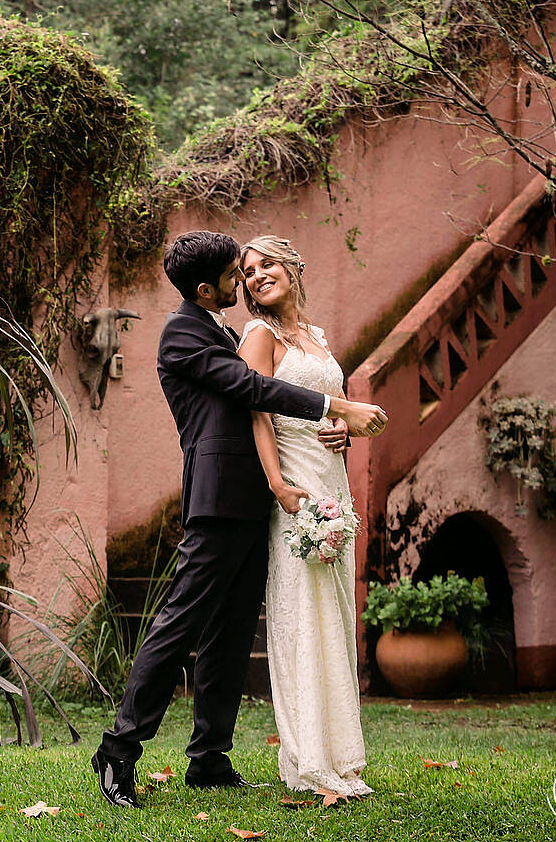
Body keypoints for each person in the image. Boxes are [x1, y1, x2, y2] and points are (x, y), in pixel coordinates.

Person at [91, 230, 387, 808]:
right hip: (219, 501)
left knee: (228, 635)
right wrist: (334, 406)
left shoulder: (221, 330)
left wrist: (324, 434)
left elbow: (264, 410)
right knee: (180, 626)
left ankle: (209, 758)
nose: (242, 282)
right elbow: (251, 387)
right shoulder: (181, 335)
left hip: (260, 505)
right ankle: (119, 751)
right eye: (234, 274)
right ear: (206, 287)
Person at [238, 235, 373, 799]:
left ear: (293, 266)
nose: (255, 275)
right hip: (294, 487)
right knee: (303, 614)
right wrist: (277, 484)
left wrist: (341, 432)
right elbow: (257, 411)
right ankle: (309, 761)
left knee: (336, 614)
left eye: (267, 264)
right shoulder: (258, 336)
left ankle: (343, 757)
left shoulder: (315, 339)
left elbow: (327, 408)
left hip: (332, 481)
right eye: (247, 270)